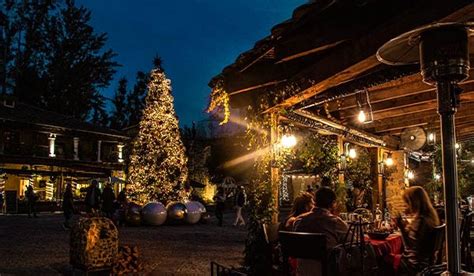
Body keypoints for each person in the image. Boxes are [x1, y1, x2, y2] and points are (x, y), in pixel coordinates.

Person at [396, 186, 440, 274]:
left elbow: (409, 246)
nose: (406, 205)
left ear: (413, 202)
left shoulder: (420, 221)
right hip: (427, 262)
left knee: (382, 257)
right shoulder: (430, 217)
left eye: (407, 202)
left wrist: (401, 227)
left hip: (413, 264)